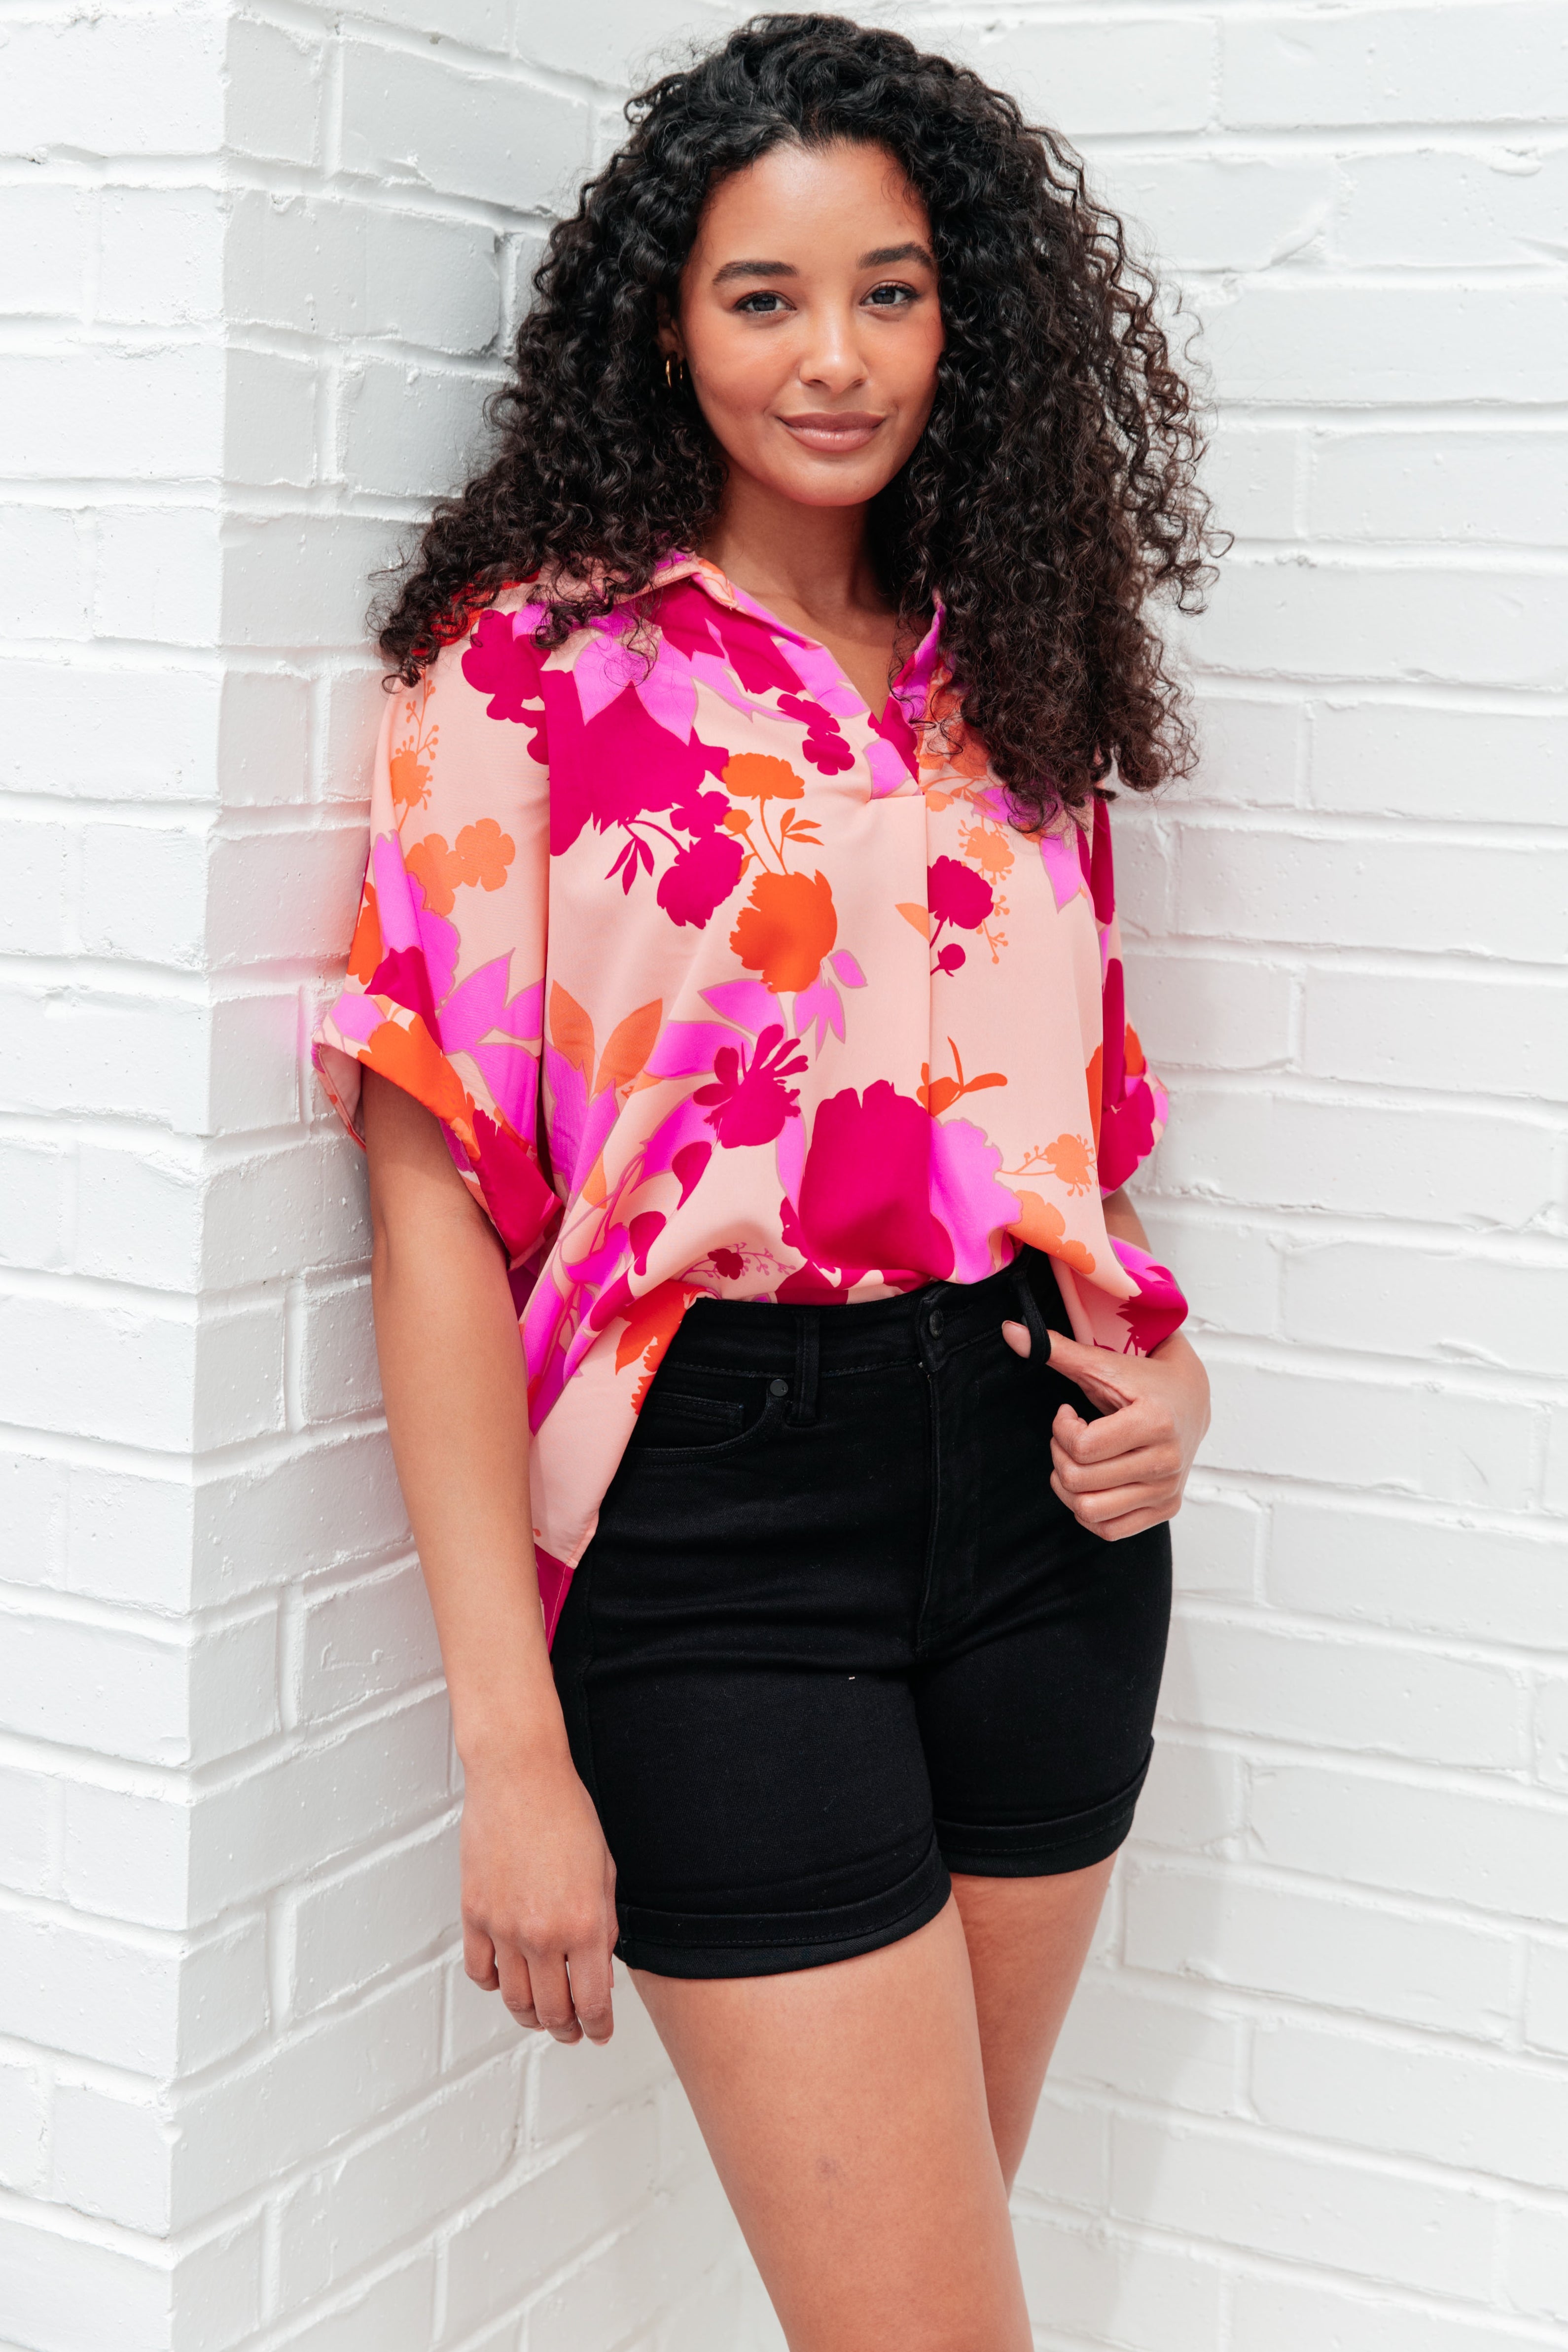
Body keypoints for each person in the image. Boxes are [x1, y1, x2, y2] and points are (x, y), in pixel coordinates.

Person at [314, 16, 1217, 2346]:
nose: (838, 356)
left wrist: (1169, 1383)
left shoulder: (1013, 668)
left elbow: (1075, 1143)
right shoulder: (531, 673)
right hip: (714, 1520)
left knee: (934, 2290)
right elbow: (433, 1207)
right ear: (666, 322)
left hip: (1047, 1519)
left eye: (892, 292)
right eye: (766, 296)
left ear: (961, 315)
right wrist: (511, 1746)